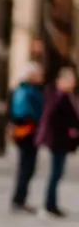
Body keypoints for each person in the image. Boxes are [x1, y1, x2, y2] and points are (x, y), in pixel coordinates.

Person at [36, 63, 79, 218]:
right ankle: (49, 204)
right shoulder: (59, 97)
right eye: (70, 80)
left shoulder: (67, 96)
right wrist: (70, 129)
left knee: (58, 173)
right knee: (56, 173)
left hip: (62, 141)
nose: (73, 83)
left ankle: (52, 203)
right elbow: (54, 119)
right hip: (58, 141)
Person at [7, 61, 45, 213]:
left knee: (28, 167)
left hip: (29, 131)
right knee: (26, 167)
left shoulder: (31, 89)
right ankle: (18, 200)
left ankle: (20, 199)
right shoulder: (26, 90)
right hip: (27, 132)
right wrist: (34, 121)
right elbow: (23, 112)